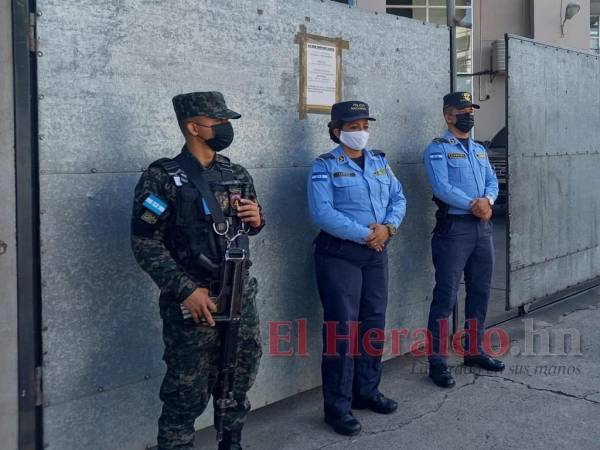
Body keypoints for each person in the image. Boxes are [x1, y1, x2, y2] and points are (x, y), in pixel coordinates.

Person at [130, 91, 264, 450]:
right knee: (185, 391)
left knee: (237, 378)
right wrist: (185, 290)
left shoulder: (237, 174)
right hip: (194, 303)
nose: (224, 128)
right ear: (193, 127)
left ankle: (231, 442)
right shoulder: (161, 178)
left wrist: (256, 219)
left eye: (225, 121)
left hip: (238, 296)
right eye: (217, 122)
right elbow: (144, 242)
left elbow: (247, 226)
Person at [307, 100, 406, 436]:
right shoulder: (324, 166)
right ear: (336, 131)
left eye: (364, 126)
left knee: (373, 322)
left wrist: (388, 228)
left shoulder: (380, 161)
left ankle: (367, 390)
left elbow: (399, 197)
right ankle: (337, 407)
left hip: (376, 253)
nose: (360, 132)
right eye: (352, 127)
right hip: (340, 256)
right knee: (342, 331)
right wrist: (368, 235)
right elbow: (322, 213)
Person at [422, 91, 504, 389]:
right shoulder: (437, 149)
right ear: (448, 115)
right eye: (462, 110)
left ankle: (474, 350)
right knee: (446, 295)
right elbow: (441, 187)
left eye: (471, 109)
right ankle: (437, 361)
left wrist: (489, 200)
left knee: (480, 291)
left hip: (482, 229)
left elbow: (492, 180)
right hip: (455, 230)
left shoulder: (479, 150)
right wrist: (474, 204)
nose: (468, 114)